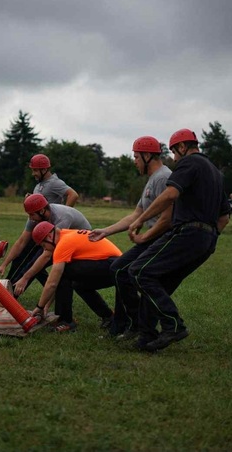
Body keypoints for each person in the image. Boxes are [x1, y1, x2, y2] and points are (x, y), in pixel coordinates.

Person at [126, 128, 229, 352]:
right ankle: (146, 337)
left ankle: (173, 325)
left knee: (138, 271)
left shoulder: (190, 163)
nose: (173, 158)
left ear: (182, 147)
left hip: (188, 232)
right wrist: (210, 239)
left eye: (174, 152)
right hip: (206, 240)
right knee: (159, 282)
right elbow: (224, 217)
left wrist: (140, 219)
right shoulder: (215, 172)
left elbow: (170, 194)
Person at [89, 136, 172, 337]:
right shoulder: (152, 179)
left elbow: (168, 217)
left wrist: (145, 237)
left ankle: (134, 324)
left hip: (159, 239)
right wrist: (106, 231)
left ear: (147, 155)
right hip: (151, 238)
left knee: (123, 270)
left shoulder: (163, 178)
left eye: (136, 157)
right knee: (119, 269)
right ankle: (128, 323)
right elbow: (136, 214)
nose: (134, 161)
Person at [0, 193, 91, 296]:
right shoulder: (36, 215)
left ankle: (11, 296)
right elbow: (21, 242)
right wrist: (4, 264)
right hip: (60, 239)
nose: (30, 218)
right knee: (28, 257)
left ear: (42, 211)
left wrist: (25, 278)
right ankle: (10, 291)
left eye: (32, 215)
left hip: (81, 242)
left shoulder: (61, 218)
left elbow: (47, 254)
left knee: (37, 261)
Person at [30, 222, 120, 333]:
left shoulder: (63, 243)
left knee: (64, 272)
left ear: (49, 237)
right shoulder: (66, 234)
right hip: (115, 265)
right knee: (79, 285)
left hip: (113, 265)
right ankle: (109, 316)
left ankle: (65, 321)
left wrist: (39, 307)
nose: (45, 249)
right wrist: (45, 306)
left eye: (44, 246)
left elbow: (52, 283)